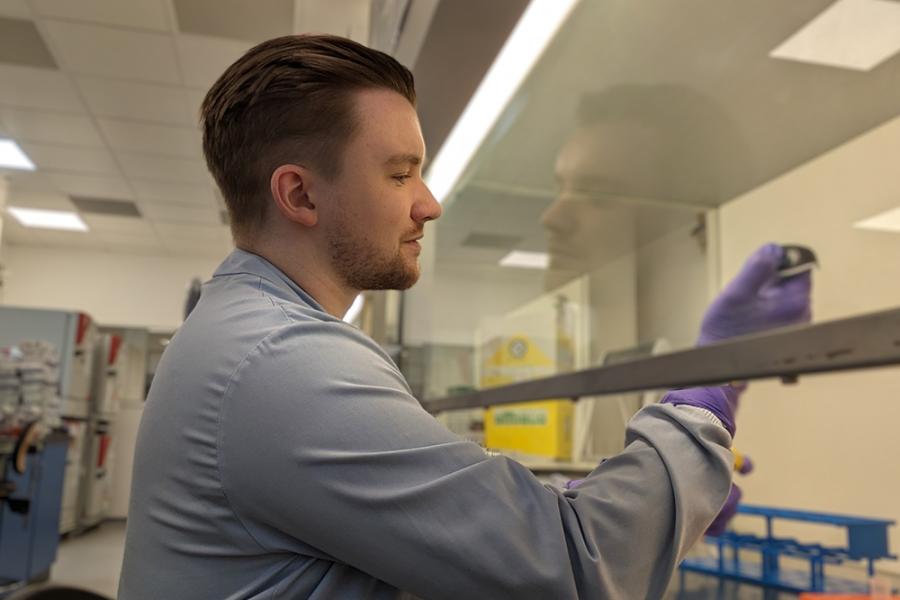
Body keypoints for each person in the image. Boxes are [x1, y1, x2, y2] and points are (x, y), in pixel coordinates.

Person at [118, 35, 811, 599]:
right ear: (300, 195)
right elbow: (572, 565)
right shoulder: (284, 358)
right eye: (399, 173)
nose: (429, 203)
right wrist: (710, 395)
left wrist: (654, 492)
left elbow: (428, 522)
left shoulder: (249, 331)